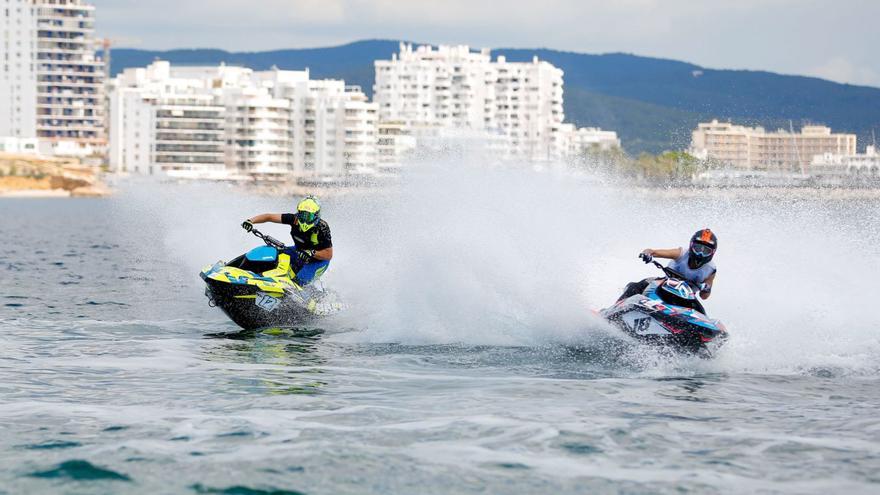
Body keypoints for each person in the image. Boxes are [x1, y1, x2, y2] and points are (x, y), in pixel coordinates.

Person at [241, 195, 333, 288]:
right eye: (302, 215)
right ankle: (242, 268)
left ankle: (311, 297)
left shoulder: (322, 228)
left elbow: (328, 255)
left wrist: (311, 253)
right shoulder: (294, 219)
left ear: (316, 216)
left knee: (296, 284)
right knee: (272, 253)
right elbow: (268, 217)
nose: (304, 219)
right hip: (297, 251)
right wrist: (250, 221)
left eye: (308, 216)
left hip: (317, 262)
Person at [617, 228, 718, 312]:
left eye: (706, 251)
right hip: (664, 285)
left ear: (712, 252)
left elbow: (704, 296)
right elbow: (653, 252)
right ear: (691, 246)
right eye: (698, 248)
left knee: (702, 313)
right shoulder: (681, 253)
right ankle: (616, 309)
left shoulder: (711, 269)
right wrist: (646, 254)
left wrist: (706, 289)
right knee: (635, 286)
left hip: (686, 297)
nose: (700, 253)